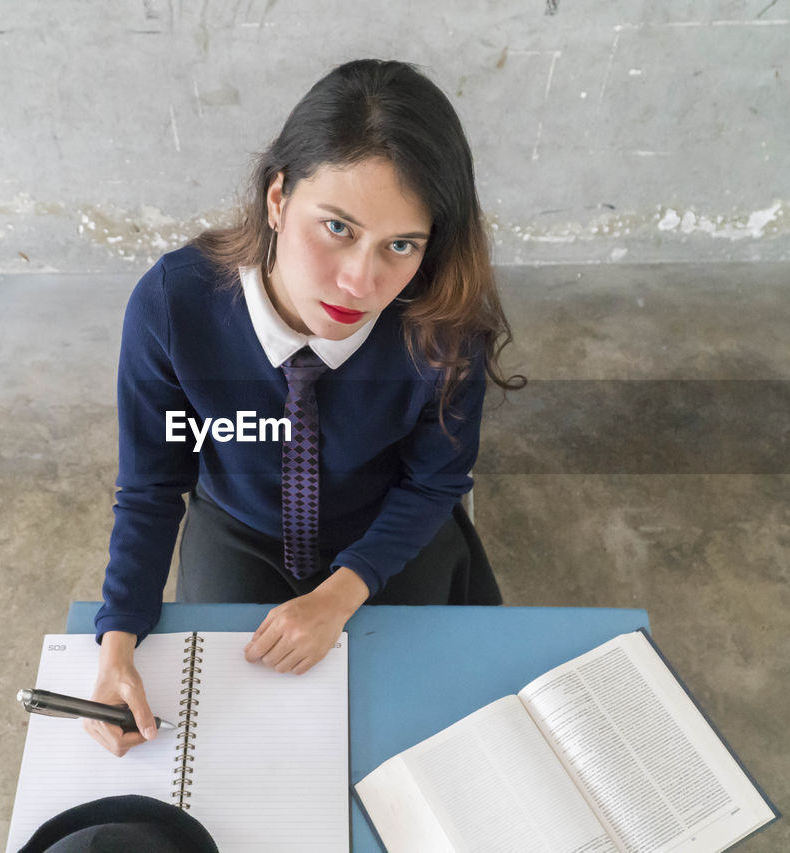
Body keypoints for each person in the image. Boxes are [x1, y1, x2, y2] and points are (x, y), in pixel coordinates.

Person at [85, 59, 523, 758]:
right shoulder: (174, 306)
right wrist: (115, 646)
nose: (361, 281)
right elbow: (152, 484)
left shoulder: (442, 324)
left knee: (420, 735)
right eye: (338, 228)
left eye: (400, 245)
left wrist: (341, 593)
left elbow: (436, 480)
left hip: (385, 523)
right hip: (239, 522)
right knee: (233, 739)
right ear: (279, 197)